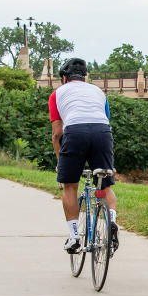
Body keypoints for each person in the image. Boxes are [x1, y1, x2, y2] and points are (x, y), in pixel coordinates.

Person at [50, 57, 119, 253]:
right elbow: (103, 123)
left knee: (70, 186)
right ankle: (111, 221)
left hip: (75, 132)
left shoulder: (57, 94)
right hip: (102, 133)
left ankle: (73, 238)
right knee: (105, 184)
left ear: (64, 78)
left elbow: (57, 133)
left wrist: (60, 163)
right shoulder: (98, 92)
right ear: (85, 77)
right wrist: (109, 164)